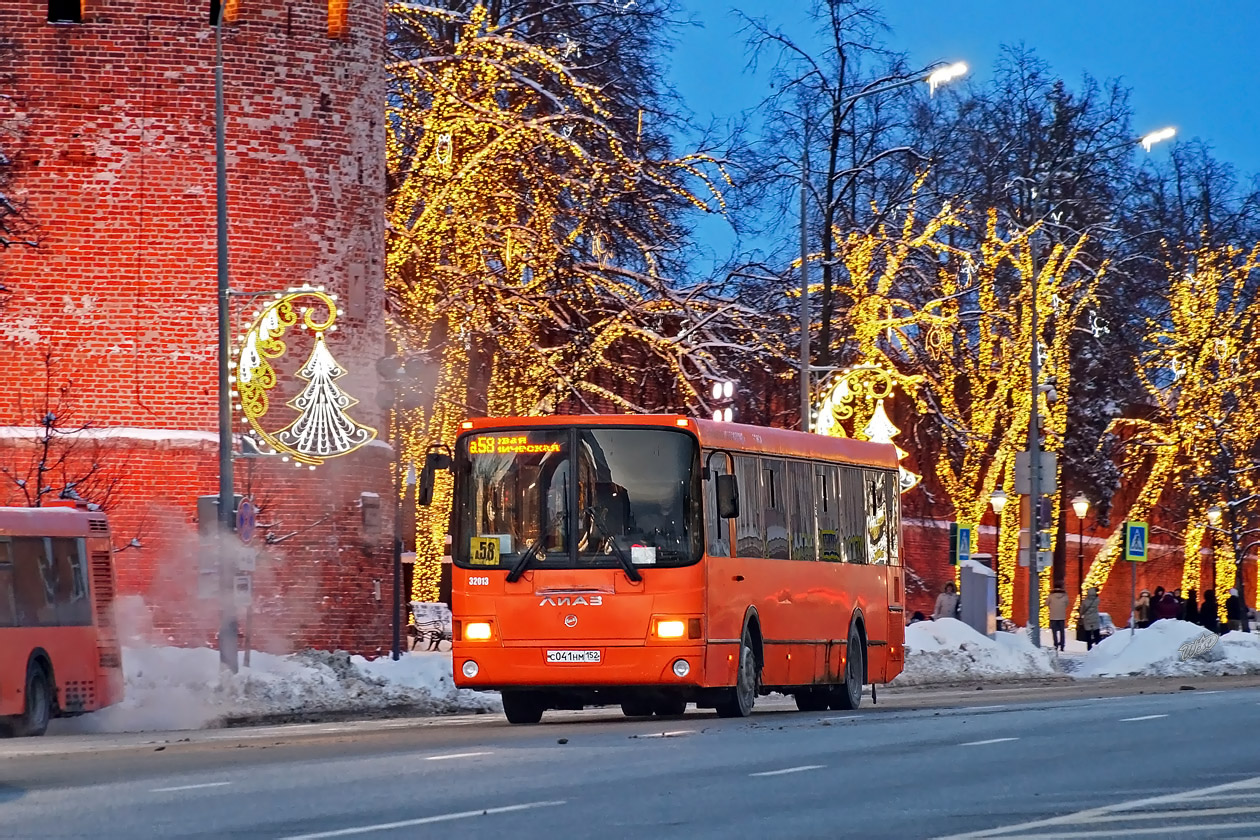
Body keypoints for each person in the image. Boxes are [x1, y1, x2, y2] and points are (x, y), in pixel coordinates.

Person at [1046, 586, 1069, 651]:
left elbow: (1046, 603)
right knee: (1062, 632)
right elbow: (1067, 604)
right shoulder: (1065, 596)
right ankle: (1062, 645)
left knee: (1054, 631)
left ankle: (1055, 645)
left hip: (1053, 616)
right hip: (1062, 616)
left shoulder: (1051, 596)